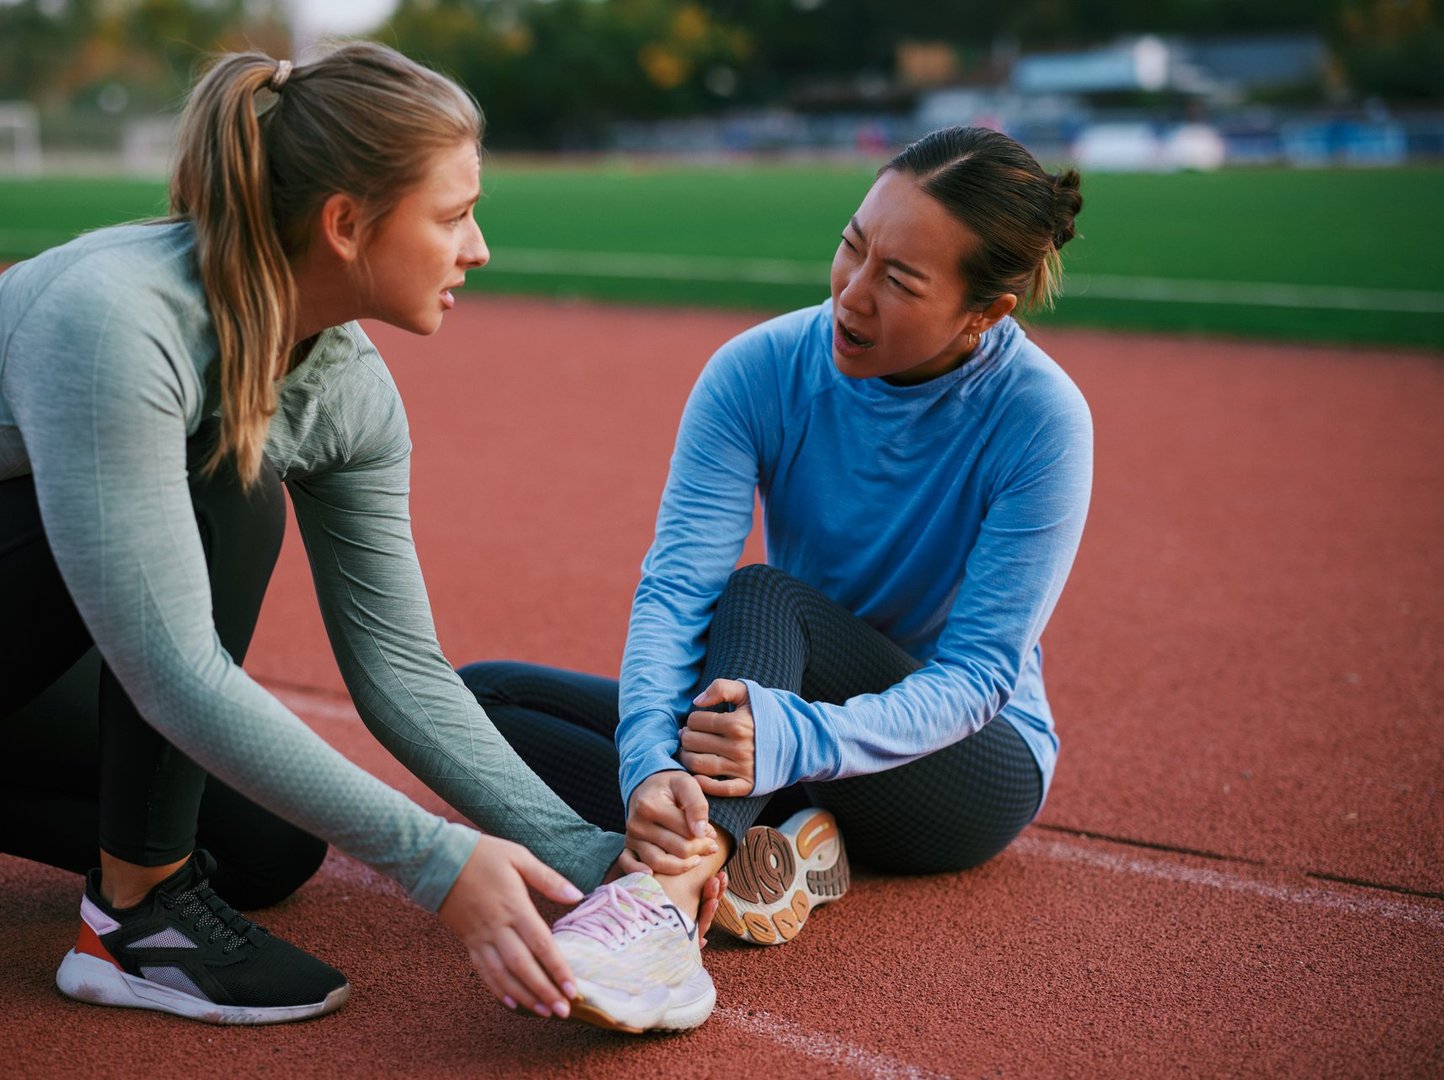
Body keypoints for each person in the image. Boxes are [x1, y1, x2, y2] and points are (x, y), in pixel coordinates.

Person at [0, 44, 640, 1027]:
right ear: (346, 223)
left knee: (265, 846)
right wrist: (435, 859)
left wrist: (590, 855)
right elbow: (169, 673)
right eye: (456, 213)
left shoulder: (349, 391)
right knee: (228, 478)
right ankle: (135, 925)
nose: (479, 248)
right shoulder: (114, 321)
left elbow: (399, 667)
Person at [464, 126, 1092, 1028]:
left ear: (983, 313)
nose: (852, 292)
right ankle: (768, 843)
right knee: (477, 709)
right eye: (853, 246)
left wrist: (799, 737)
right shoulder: (758, 370)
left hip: (962, 773)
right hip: (771, 742)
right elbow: (677, 590)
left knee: (764, 596)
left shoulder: (1042, 421)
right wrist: (646, 763)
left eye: (901, 281)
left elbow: (979, 679)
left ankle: (665, 905)